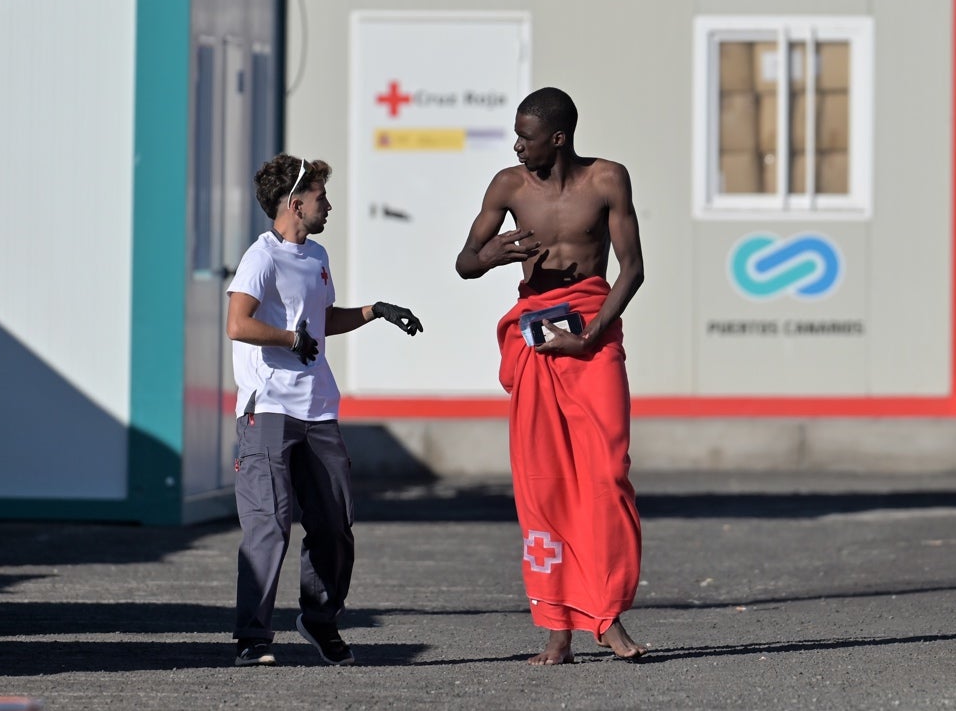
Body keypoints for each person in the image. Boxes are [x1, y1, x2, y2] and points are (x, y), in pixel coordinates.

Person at [455, 87, 646, 665]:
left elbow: (632, 269)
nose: (517, 145)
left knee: (607, 471)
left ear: (558, 138)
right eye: (516, 134)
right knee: (544, 482)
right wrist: (491, 256)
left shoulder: (608, 179)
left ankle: (606, 613)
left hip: (591, 335)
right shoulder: (508, 186)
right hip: (536, 336)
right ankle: (558, 626)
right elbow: (464, 262)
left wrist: (590, 335)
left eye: (527, 135)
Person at [227, 154, 423, 667]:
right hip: (266, 409)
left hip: (317, 410)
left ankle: (319, 620)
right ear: (294, 203)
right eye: (320, 197)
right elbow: (238, 323)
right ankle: (253, 636)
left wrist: (374, 311)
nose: (328, 205)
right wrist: (290, 338)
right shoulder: (261, 257)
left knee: (334, 525)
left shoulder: (316, 255)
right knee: (269, 525)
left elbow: (319, 319)